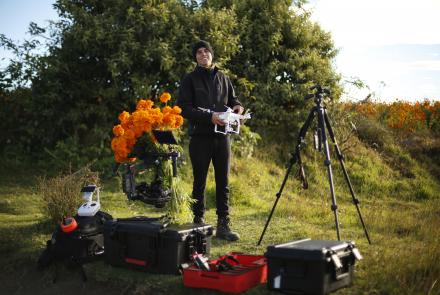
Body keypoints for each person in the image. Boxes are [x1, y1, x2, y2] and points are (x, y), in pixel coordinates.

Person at [178, 40, 244, 241]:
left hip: (222, 137)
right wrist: (209, 118)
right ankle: (198, 223)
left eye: (206, 51)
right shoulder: (189, 79)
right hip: (200, 137)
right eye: (199, 52)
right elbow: (184, 108)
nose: (203, 54)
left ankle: (223, 225)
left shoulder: (223, 77)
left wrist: (238, 108)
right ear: (195, 57)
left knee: (223, 181)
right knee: (199, 181)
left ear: (212, 55)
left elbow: (234, 100)